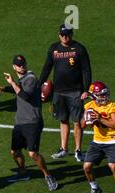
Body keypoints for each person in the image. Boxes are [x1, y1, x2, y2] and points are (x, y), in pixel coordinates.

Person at [0, 55, 58, 191]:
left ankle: (48, 176)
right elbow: (17, 88)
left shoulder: (31, 79)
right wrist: (2, 88)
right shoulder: (22, 80)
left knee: (33, 153)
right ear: (14, 67)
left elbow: (25, 95)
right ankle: (22, 173)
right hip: (20, 122)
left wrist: (12, 83)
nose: (22, 66)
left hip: (32, 122)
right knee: (15, 151)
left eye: (23, 64)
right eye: (19, 64)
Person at [39, 23, 92, 162]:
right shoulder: (54, 49)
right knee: (63, 120)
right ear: (59, 35)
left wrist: (86, 90)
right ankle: (63, 148)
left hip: (75, 91)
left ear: (72, 34)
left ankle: (78, 150)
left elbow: (86, 70)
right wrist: (39, 85)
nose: (65, 37)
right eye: (62, 35)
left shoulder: (79, 49)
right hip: (59, 92)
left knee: (77, 122)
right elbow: (46, 68)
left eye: (67, 34)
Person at [81, 81, 115, 193]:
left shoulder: (112, 106)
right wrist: (87, 117)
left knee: (113, 166)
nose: (104, 97)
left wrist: (99, 118)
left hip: (112, 139)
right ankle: (95, 188)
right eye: (100, 95)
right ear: (93, 96)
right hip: (97, 141)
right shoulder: (89, 106)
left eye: (104, 94)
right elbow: (83, 126)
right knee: (87, 167)